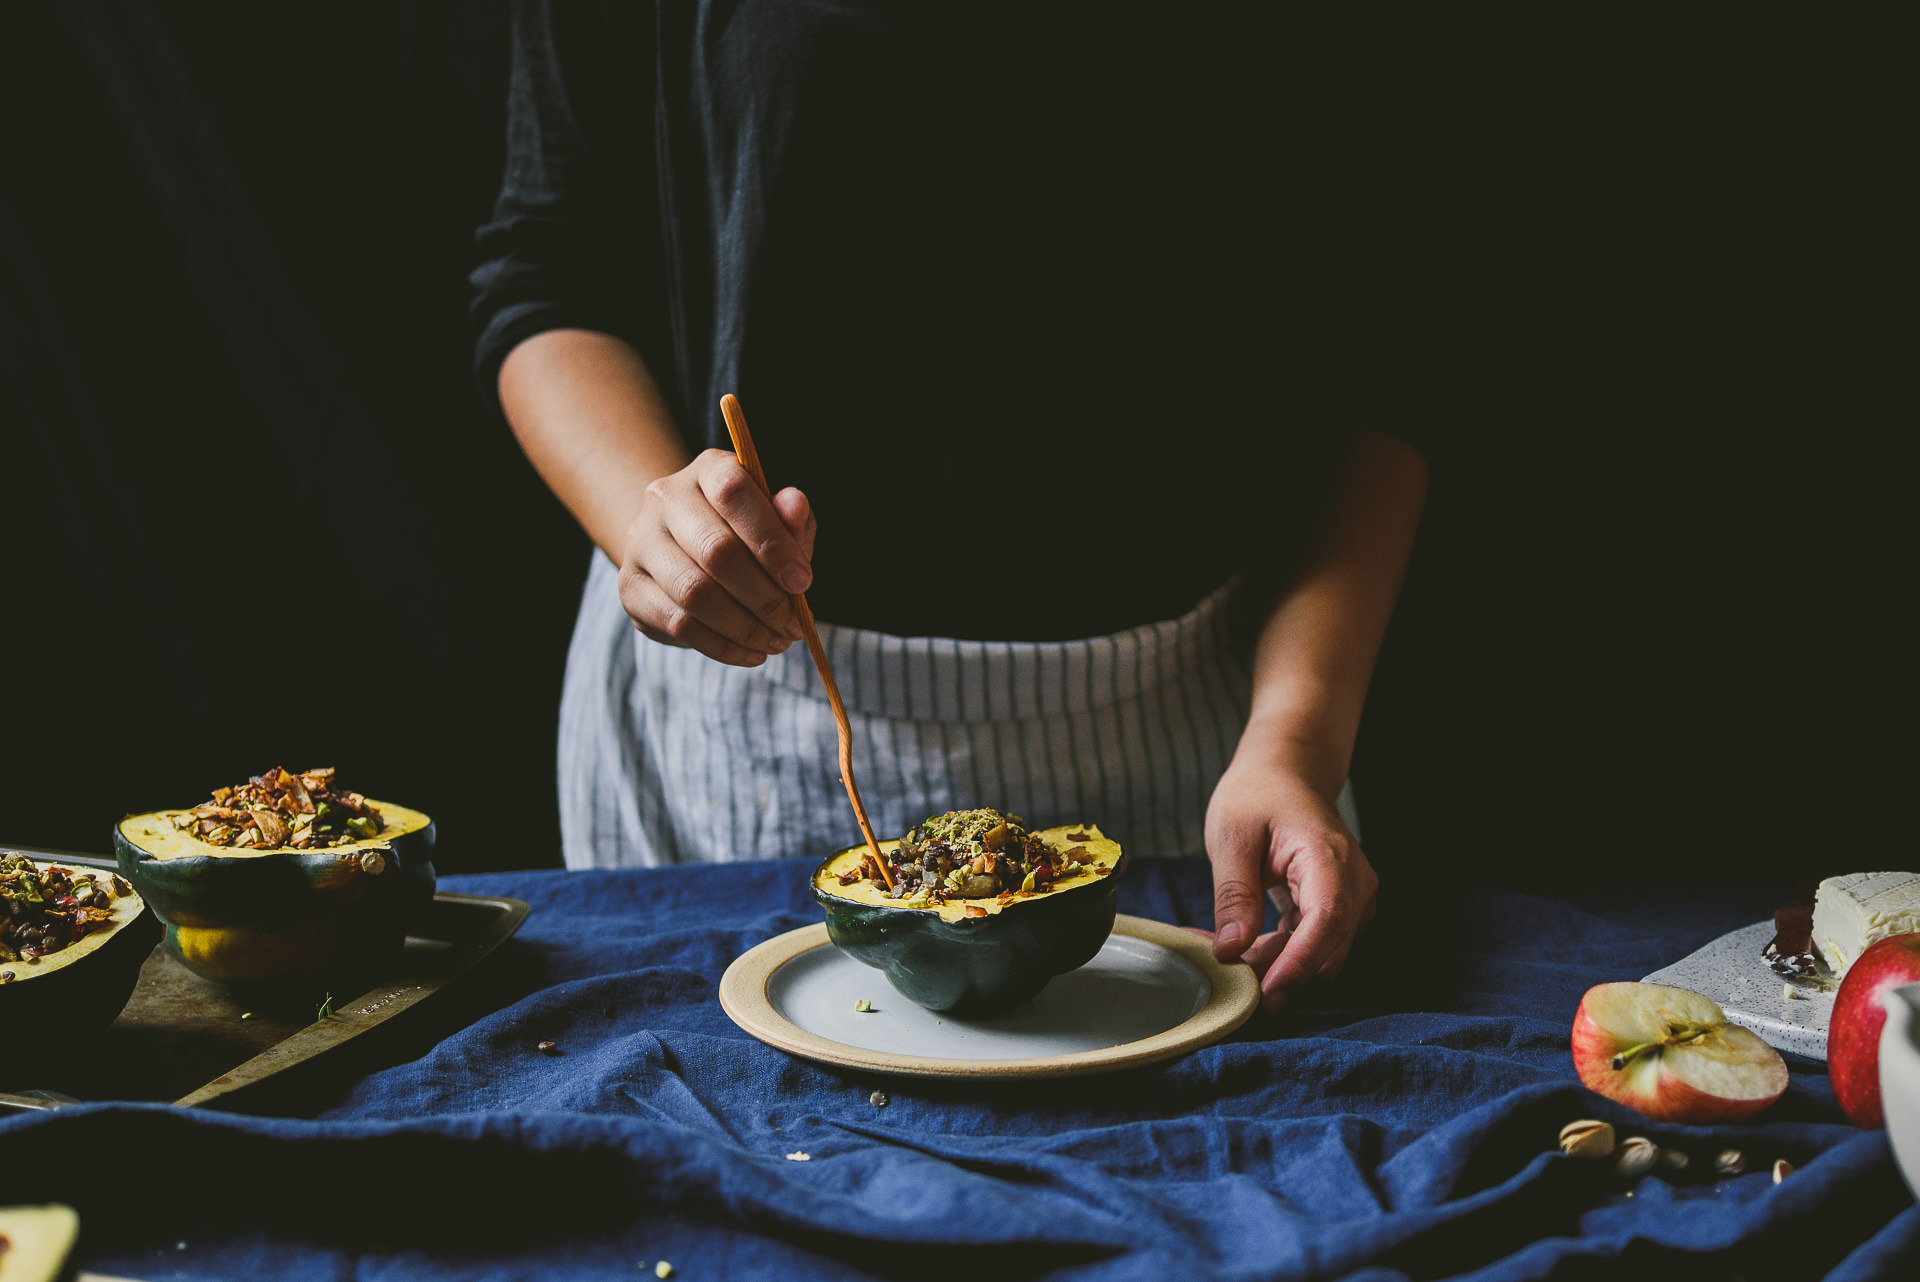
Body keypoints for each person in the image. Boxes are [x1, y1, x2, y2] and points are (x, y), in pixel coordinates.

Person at [472, 2, 1426, 1014]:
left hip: (1209, 746)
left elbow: (1376, 362)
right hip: (738, 746)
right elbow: (546, 271)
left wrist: (1297, 743)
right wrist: (645, 522)